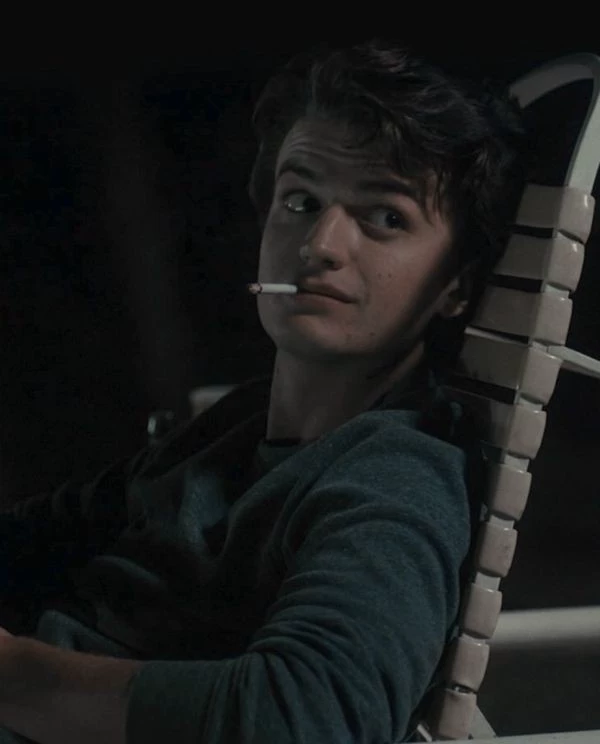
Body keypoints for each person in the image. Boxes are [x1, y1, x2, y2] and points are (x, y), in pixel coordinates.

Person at [0, 41, 527, 744]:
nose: (320, 245)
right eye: (301, 201)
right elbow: (42, 537)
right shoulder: (238, 426)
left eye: (386, 217)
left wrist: (11, 674)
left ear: (455, 285)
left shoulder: (394, 477)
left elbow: (308, 721)